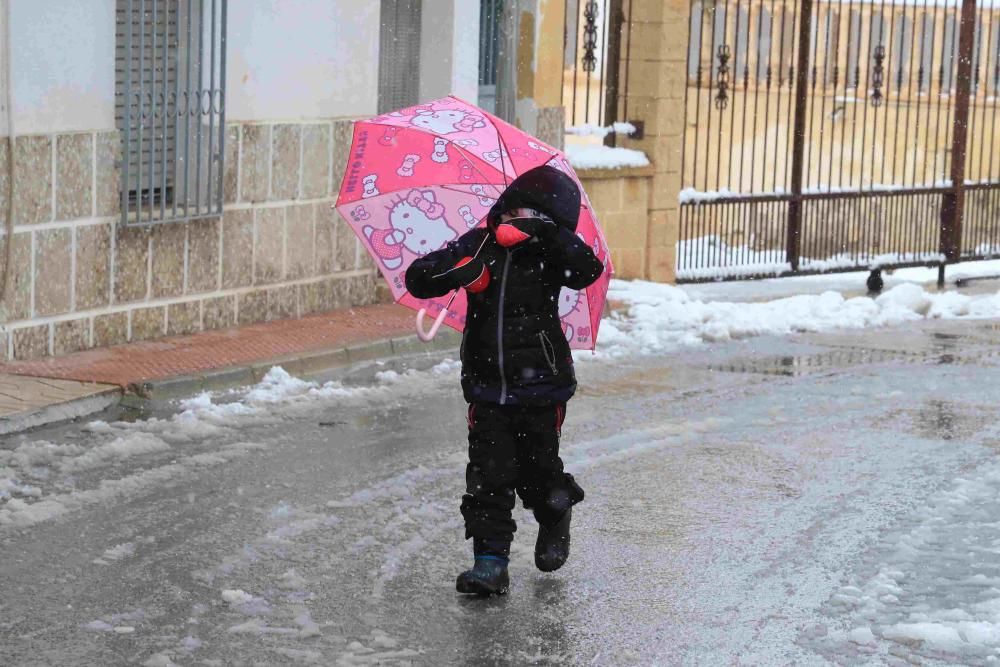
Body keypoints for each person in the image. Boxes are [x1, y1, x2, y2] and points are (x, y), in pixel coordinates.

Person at [405, 165, 604, 596]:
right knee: (488, 476)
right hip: (486, 385)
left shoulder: (551, 254)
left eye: (530, 214)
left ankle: (555, 513)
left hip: (541, 385)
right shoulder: (479, 243)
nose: (514, 221)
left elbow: (587, 269)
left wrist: (545, 235)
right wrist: (455, 271)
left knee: (537, 472)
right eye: (511, 211)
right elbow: (418, 279)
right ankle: (490, 563)